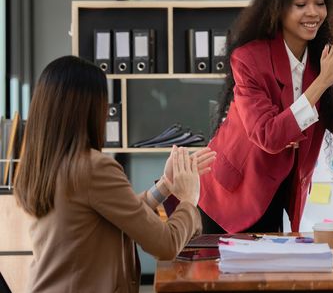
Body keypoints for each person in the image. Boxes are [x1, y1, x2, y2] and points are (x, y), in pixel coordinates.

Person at [199, 0, 333, 233]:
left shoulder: (324, 60)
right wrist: (322, 82)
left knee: (271, 271)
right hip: (233, 195)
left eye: (320, 3)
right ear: (279, 9)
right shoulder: (249, 59)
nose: (313, 13)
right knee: (229, 274)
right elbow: (268, 135)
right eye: (300, 4)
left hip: (283, 191)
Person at [14, 56, 216, 293]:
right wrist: (188, 200)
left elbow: (114, 213)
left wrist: (166, 185)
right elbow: (166, 244)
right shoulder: (93, 167)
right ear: (90, 110)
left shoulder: (42, 164)